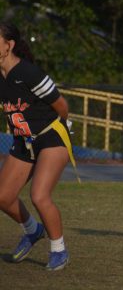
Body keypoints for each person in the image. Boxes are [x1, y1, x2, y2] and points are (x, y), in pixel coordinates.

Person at [0, 21, 73, 271]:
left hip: (50, 137)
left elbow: (61, 105)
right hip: (24, 140)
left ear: (8, 45)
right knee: (3, 197)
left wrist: (62, 128)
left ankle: (59, 249)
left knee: (39, 196)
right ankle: (33, 231)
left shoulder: (28, 73)